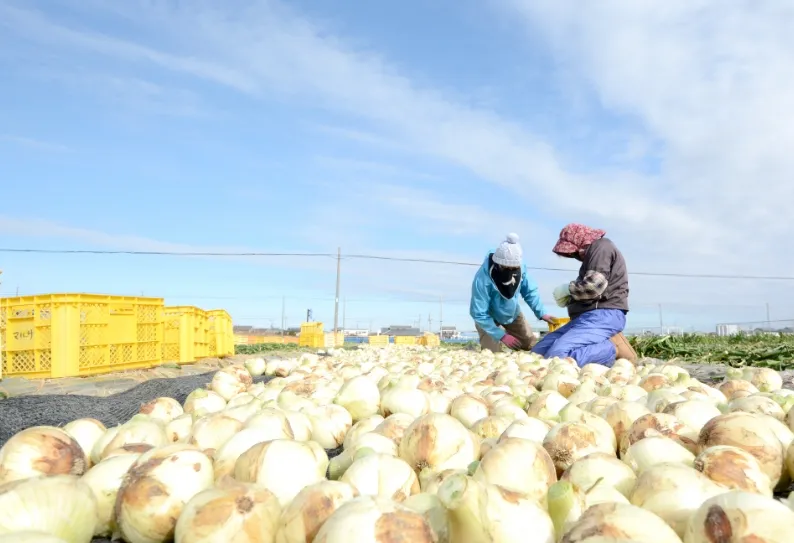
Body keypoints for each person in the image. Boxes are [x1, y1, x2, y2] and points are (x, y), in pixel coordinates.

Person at [531, 223, 635, 366]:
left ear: (579, 241)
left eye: (573, 252)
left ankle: (611, 348)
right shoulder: (591, 256)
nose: (574, 256)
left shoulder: (602, 247)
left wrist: (568, 289)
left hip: (604, 314)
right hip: (585, 318)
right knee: (537, 353)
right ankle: (598, 347)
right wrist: (569, 299)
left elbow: (593, 286)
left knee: (557, 356)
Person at [470, 233, 556, 352]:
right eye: (506, 268)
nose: (510, 271)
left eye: (513, 268)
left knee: (529, 344)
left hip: (511, 313)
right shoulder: (482, 278)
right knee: (491, 353)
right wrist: (502, 336)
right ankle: (494, 339)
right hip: (488, 318)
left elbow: (530, 291)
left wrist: (541, 313)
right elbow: (478, 313)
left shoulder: (521, 267)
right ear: (498, 263)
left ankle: (510, 334)